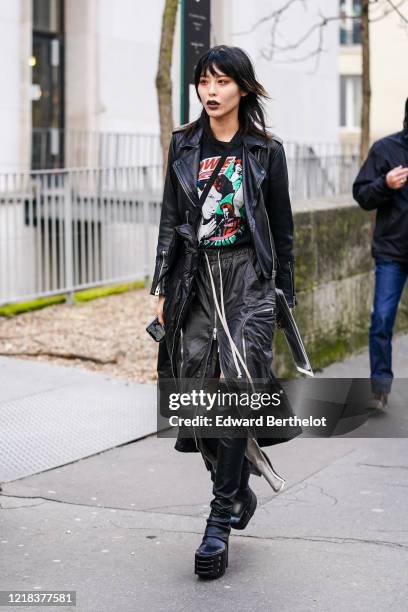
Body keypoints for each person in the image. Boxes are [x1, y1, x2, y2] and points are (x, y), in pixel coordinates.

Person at [150, 45, 300, 579]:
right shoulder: (183, 145)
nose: (210, 92)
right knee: (194, 389)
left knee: (237, 386)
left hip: (249, 280)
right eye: (203, 82)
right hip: (196, 276)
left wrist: (284, 296)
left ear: (242, 87)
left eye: (221, 81)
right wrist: (163, 288)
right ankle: (236, 488)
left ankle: (217, 522)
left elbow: (281, 230)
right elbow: (171, 220)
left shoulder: (265, 151)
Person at [353, 98, 408, 410]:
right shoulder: (386, 150)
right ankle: (380, 389)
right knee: (383, 319)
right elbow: (361, 195)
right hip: (392, 251)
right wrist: (385, 184)